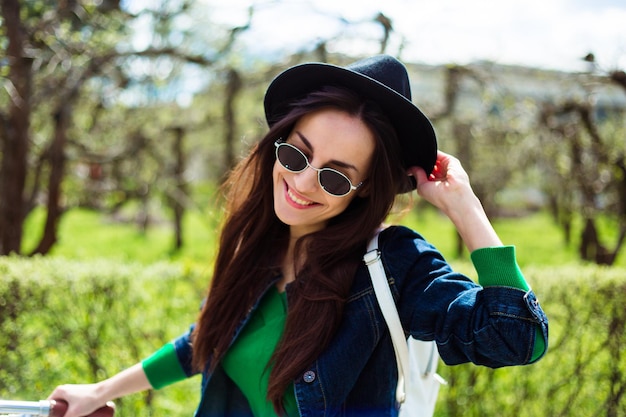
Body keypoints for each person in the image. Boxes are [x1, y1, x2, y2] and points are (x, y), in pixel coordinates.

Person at [49, 55, 548, 417]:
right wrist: (100, 390)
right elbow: (209, 339)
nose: (303, 182)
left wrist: (466, 207)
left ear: (364, 189)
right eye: (296, 155)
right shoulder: (264, 244)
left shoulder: (393, 266)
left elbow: (516, 339)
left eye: (335, 176)